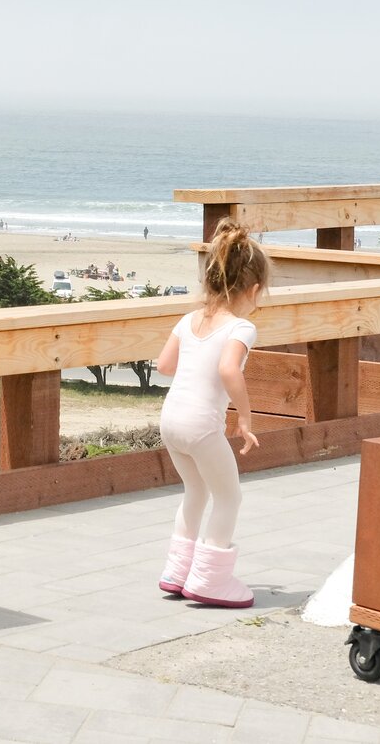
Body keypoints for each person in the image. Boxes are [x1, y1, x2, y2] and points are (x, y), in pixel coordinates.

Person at [153, 218, 269, 608]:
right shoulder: (242, 327)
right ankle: (209, 580)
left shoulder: (189, 319)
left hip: (171, 421)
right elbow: (227, 370)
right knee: (229, 498)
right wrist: (246, 417)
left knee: (195, 490)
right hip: (202, 425)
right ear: (252, 289)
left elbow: (164, 366)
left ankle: (177, 571)